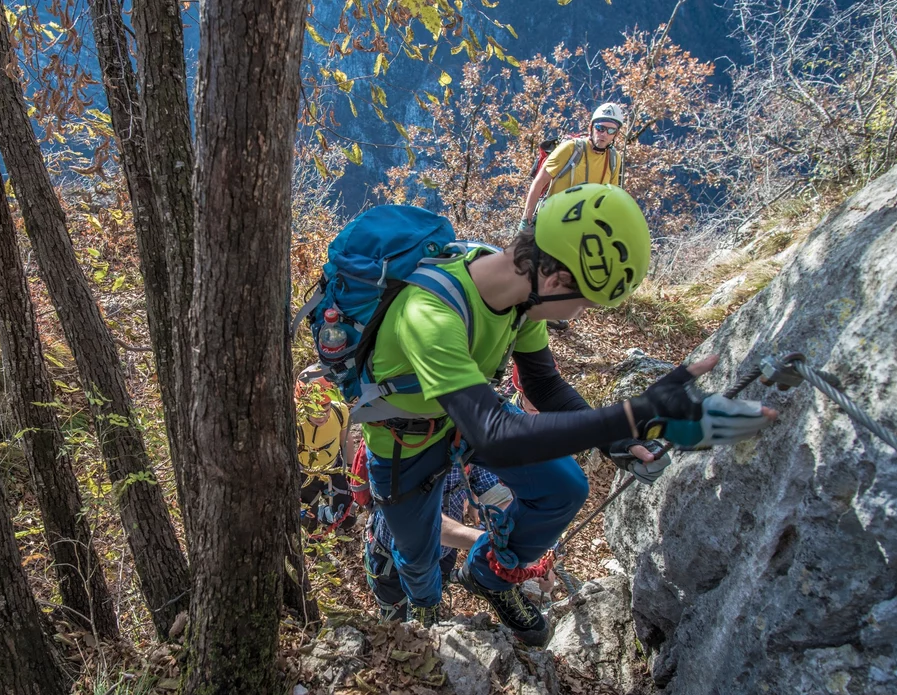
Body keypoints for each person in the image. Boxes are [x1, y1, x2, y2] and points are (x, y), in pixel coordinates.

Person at [361, 183, 777, 645]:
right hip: (405, 443)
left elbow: (542, 383)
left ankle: (488, 576)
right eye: (583, 301)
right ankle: (421, 610)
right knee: (417, 552)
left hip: (465, 412)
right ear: (555, 279)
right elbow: (496, 434)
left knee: (563, 487)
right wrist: (631, 416)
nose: (578, 314)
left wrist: (615, 438)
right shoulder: (430, 312)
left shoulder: (518, 301)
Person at [364, 461, 510, 621]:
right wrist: (492, 541)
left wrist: (514, 532)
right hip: (393, 559)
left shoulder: (464, 443)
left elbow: (500, 498)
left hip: (444, 552)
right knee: (397, 619)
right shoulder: (402, 449)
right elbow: (420, 520)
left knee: (428, 603)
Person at [520, 103, 626, 230]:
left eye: (611, 130)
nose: (604, 134)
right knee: (517, 251)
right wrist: (526, 219)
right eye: (600, 128)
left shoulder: (614, 159)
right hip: (552, 222)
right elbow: (540, 181)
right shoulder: (571, 149)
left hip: (584, 228)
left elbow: (610, 197)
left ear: (616, 134)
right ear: (591, 127)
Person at [296, 379, 356, 533]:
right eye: (314, 410)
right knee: (307, 525)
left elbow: (346, 439)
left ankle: (325, 515)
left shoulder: (340, 411)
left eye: (325, 408)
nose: (321, 416)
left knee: (347, 517)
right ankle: (315, 548)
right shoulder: (295, 421)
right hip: (305, 476)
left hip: (333, 469)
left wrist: (350, 469)